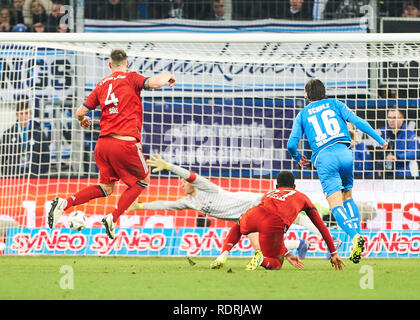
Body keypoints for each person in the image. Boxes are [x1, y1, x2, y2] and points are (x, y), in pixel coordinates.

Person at [47, 49, 176, 239]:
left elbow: (80, 111)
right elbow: (155, 83)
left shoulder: (101, 84)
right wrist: (168, 75)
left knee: (107, 188)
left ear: (109, 65)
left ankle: (64, 204)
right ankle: (113, 218)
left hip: (102, 145)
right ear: (128, 63)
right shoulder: (131, 78)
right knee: (143, 180)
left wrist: (83, 120)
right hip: (124, 143)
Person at [128, 154, 328, 260]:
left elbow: (190, 175)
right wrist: (140, 206)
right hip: (244, 218)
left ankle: (326, 237)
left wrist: (169, 166)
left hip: (251, 203)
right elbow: (166, 205)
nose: (181, 184)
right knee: (260, 247)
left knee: (295, 216)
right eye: (180, 182)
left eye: (182, 182)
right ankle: (301, 245)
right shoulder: (189, 202)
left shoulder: (206, 187)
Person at [287, 79, 388, 263]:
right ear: (324, 92)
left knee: (335, 204)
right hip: (345, 154)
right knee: (348, 196)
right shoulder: (335, 103)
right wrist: (380, 140)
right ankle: (358, 235)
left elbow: (291, 144)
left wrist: (297, 157)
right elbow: (359, 121)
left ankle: (354, 237)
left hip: (325, 158)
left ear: (307, 95)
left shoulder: (302, 114)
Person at [211, 171, 346, 271]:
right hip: (274, 223)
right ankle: (262, 260)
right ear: (294, 186)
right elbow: (321, 227)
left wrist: (286, 252)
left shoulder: (269, 193)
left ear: (276, 185)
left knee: (239, 224)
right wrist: (333, 252)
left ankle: (223, 253)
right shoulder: (302, 197)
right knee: (276, 263)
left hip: (255, 213)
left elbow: (267, 215)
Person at [1, 100, 51, 177]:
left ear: (30, 114)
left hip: (34, 175)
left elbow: (45, 155)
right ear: (17, 115)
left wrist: (38, 172)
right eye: (21, 113)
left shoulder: (38, 133)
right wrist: (7, 173)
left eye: (26, 113)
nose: (24, 116)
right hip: (14, 176)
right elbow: (2, 157)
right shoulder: (8, 134)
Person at [375, 108, 419, 179]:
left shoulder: (410, 134)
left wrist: (397, 157)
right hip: (386, 174)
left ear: (402, 119)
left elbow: (415, 153)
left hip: (406, 173)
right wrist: (379, 168)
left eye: (394, 118)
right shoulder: (383, 133)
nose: (391, 120)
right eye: (389, 117)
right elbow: (378, 153)